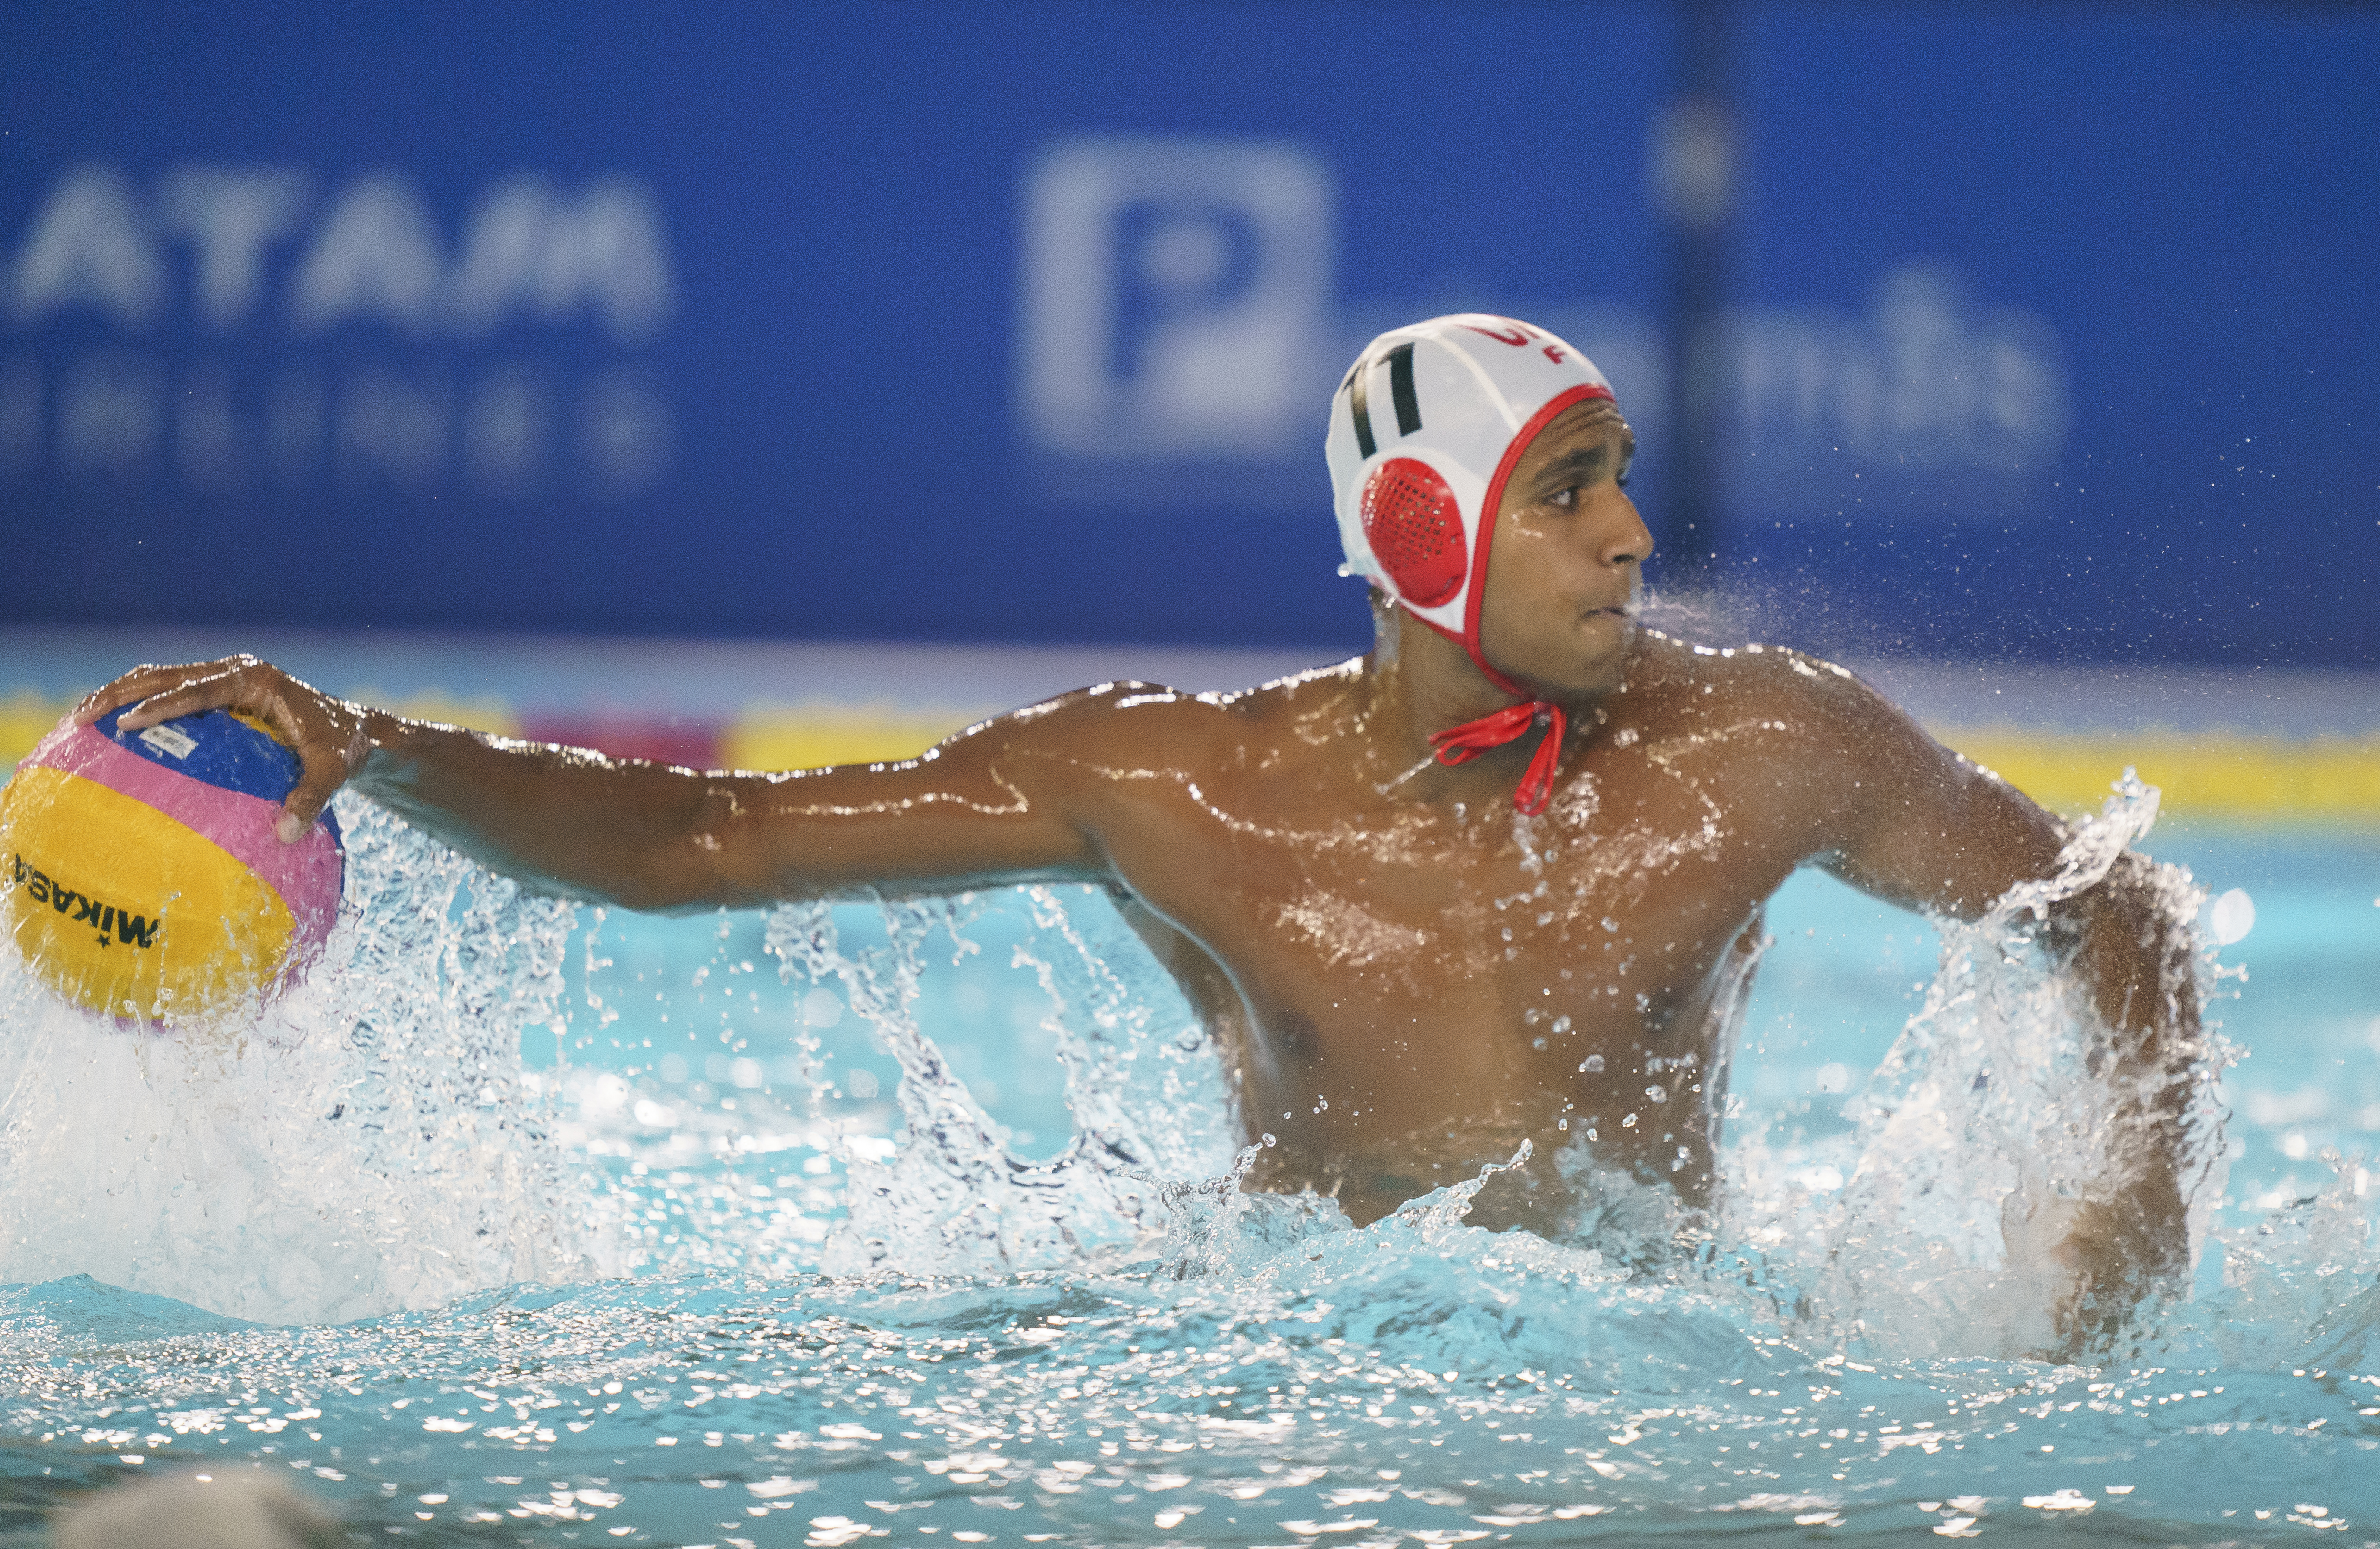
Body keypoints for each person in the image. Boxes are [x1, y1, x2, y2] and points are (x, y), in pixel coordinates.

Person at [78, 315, 2198, 1347]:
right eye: (1573, 489)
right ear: (1418, 527)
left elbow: (2117, 917)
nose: (1638, 534)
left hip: (1663, 1368)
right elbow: (701, 845)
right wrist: (380, 743)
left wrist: (2115, 1221)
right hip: (1304, 1376)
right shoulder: (1177, 786)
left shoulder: (1767, 750)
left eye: (1626, 475)